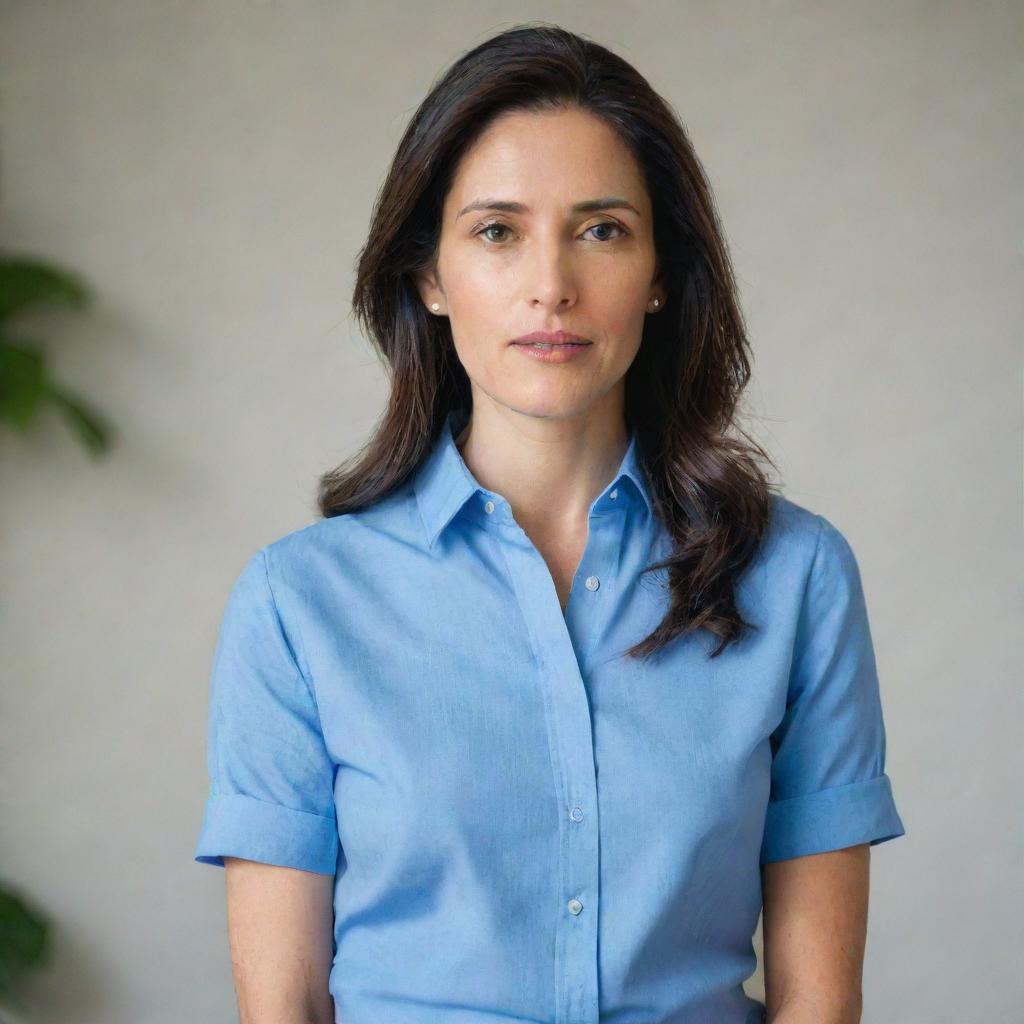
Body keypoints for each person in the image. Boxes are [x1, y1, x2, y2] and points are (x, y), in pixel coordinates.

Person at [194, 22, 905, 1024]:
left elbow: (818, 1006)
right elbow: (284, 1009)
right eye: (496, 231)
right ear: (430, 277)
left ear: (661, 271)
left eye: (601, 228)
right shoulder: (298, 602)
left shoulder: (796, 578)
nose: (550, 285)